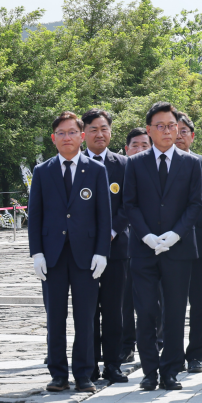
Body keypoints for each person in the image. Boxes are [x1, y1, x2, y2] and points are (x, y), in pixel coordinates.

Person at [28, 110, 111, 393]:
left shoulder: (96, 170)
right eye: (61, 133)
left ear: (82, 136)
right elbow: (35, 215)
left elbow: (104, 215)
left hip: (86, 255)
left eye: (72, 132)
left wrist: (102, 251)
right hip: (52, 255)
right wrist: (36, 253)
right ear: (54, 139)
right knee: (55, 317)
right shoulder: (43, 171)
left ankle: (84, 373)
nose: (67, 137)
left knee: (86, 317)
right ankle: (58, 374)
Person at [124, 101, 202, 391]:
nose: (167, 131)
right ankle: (149, 371)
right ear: (149, 130)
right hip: (143, 249)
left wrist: (176, 234)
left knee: (174, 312)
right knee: (145, 312)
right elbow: (129, 204)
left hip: (178, 249)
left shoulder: (191, 163)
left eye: (172, 126)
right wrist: (145, 235)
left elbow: (195, 204)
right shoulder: (134, 163)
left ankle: (171, 370)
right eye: (161, 126)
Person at [82, 108, 130, 385]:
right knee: (87, 310)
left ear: (111, 131)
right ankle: (89, 365)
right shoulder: (76, 164)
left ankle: (113, 364)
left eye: (104, 129)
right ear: (83, 133)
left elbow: (129, 204)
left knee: (114, 310)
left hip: (117, 248)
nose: (100, 134)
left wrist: (111, 231)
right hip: (83, 249)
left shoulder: (123, 165)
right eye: (93, 129)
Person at [175, 111, 202, 373]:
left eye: (184, 131)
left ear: (192, 136)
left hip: (201, 243)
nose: (178, 135)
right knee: (172, 302)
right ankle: (172, 352)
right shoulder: (161, 164)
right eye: (174, 130)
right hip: (168, 245)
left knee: (201, 301)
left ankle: (196, 354)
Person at [119, 127, 150, 363]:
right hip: (121, 244)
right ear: (126, 148)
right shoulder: (119, 168)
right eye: (135, 146)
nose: (139, 150)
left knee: (151, 299)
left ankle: (153, 342)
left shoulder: (153, 171)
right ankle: (126, 344)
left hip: (150, 243)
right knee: (124, 299)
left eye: (144, 145)